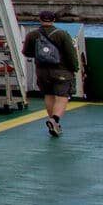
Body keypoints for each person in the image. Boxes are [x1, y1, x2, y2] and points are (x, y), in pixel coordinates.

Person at [30, 10, 80, 138]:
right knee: (62, 97)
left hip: (42, 71)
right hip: (61, 71)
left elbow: (27, 52)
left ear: (40, 19)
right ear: (54, 20)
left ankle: (52, 120)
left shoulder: (32, 35)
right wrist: (74, 68)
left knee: (49, 95)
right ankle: (55, 120)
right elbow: (71, 54)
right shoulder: (62, 34)